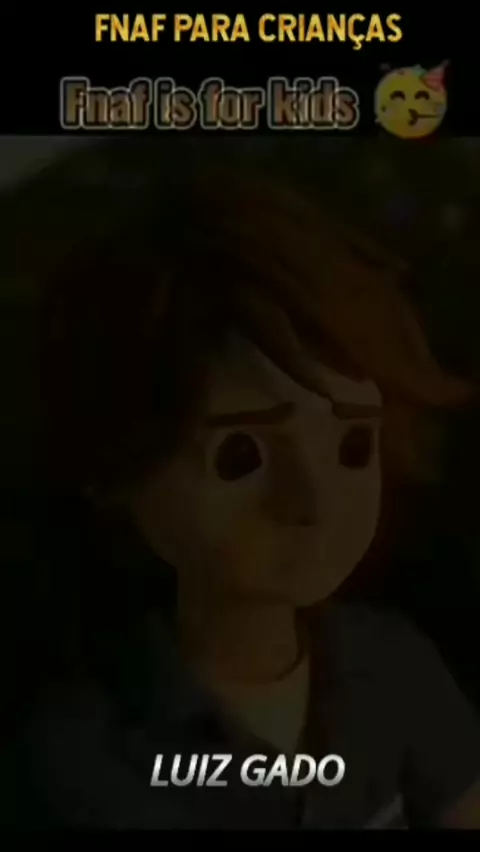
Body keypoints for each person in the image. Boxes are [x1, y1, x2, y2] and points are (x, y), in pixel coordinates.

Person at [9, 140, 480, 828]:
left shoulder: (391, 665)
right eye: (240, 456)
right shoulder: (80, 759)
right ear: (115, 465)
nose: (314, 500)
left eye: (352, 445)